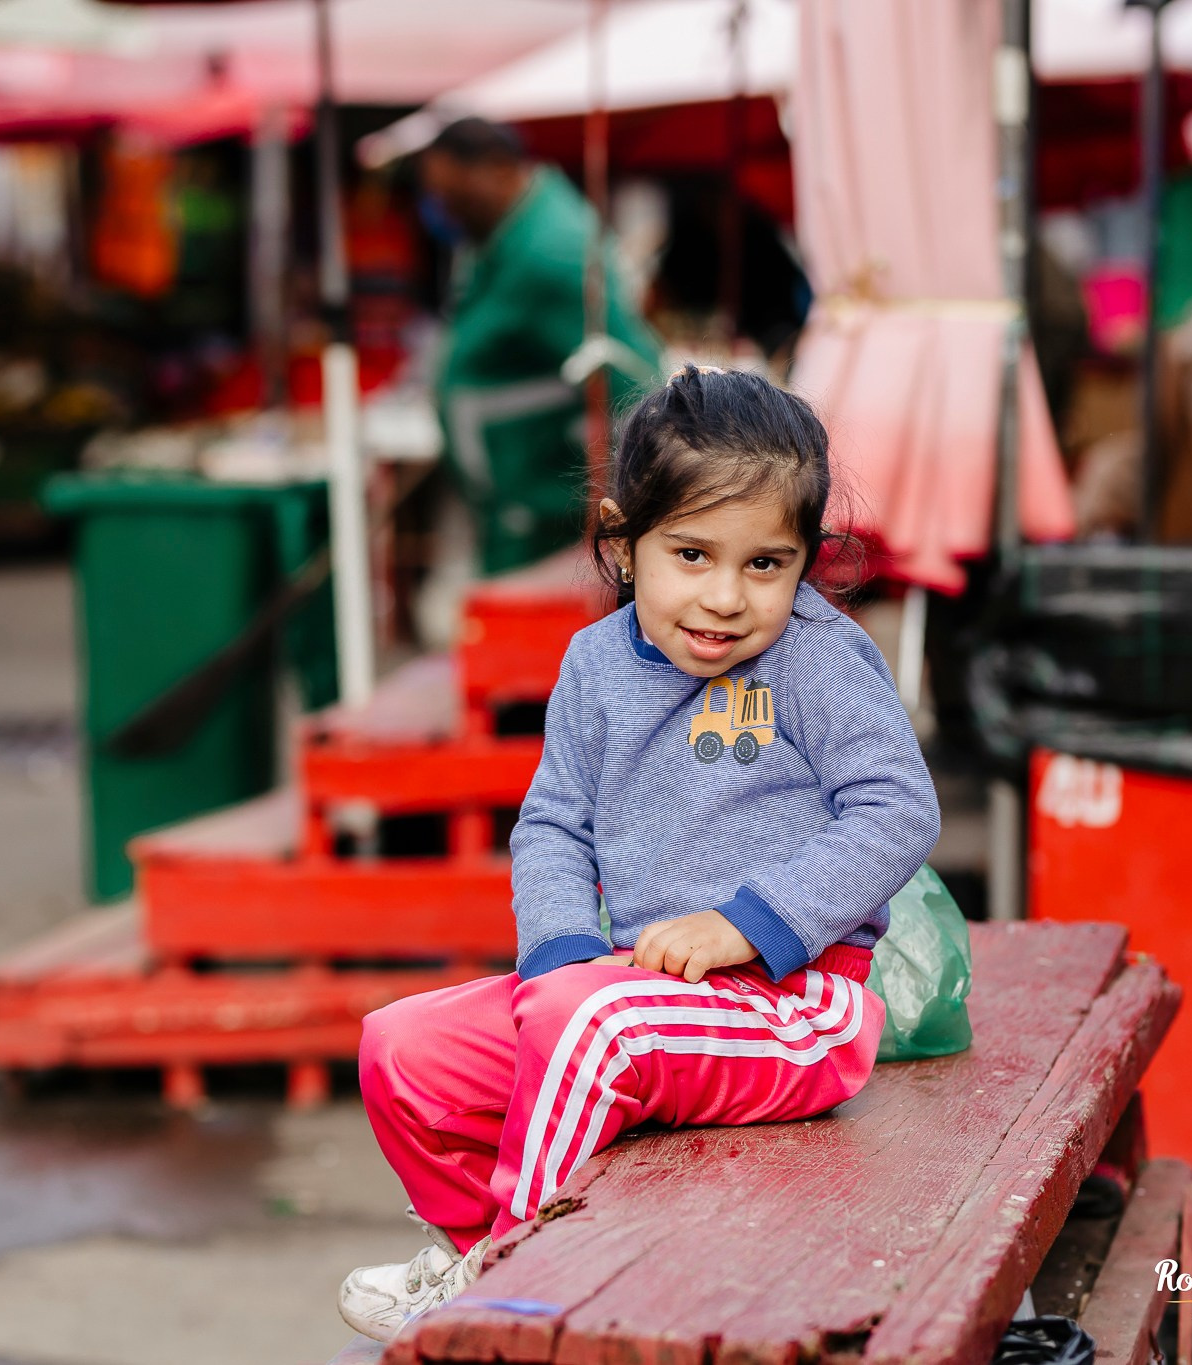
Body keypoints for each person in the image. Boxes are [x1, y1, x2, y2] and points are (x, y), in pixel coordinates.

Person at [338, 368, 941, 1341]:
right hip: (624, 989)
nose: (724, 597)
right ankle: (475, 1251)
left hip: (794, 1006)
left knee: (592, 1024)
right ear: (623, 543)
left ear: (806, 562)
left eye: (763, 565)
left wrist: (743, 927)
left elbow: (895, 811)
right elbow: (551, 825)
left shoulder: (816, 659)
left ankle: (510, 1298)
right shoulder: (592, 665)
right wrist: (564, 952)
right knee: (402, 1050)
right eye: (691, 554)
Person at [419, 118, 663, 577]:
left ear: (495, 170)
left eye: (453, 196)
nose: (444, 211)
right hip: (517, 498)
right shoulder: (504, 234)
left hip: (545, 507)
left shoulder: (551, 248)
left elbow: (634, 374)